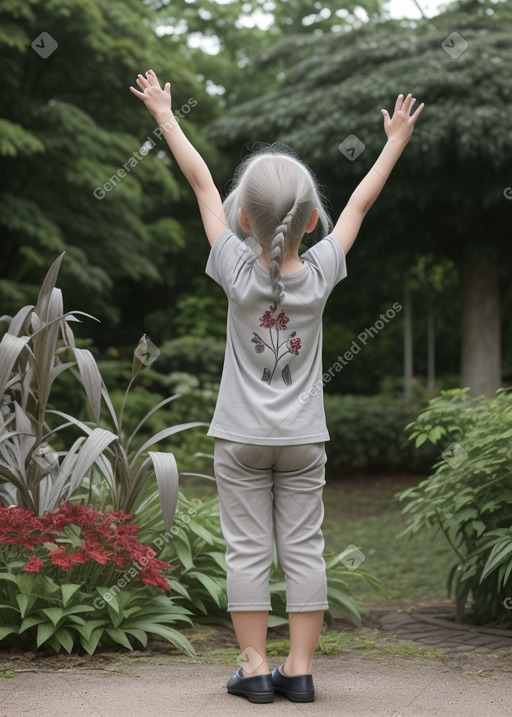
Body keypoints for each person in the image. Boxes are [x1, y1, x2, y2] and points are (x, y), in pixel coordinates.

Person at [130, 71, 424, 704]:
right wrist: (394, 140)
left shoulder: (236, 271)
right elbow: (361, 205)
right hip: (303, 439)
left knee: (247, 551)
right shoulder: (320, 272)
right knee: (303, 548)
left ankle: (256, 669)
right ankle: (300, 670)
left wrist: (165, 115)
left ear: (244, 219)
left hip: (238, 438)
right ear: (312, 219)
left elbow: (202, 182)